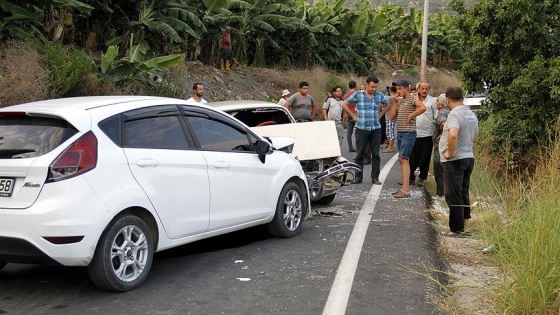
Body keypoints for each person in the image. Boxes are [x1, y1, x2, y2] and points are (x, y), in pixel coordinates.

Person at [439, 86, 479, 236]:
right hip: (469, 157)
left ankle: (455, 229)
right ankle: (465, 224)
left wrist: (449, 152)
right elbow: (475, 138)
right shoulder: (471, 114)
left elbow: (453, 134)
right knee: (463, 192)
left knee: (452, 194)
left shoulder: (454, 114)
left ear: (448, 99)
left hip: (455, 160)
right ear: (462, 98)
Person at [341, 76, 388, 185]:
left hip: (375, 128)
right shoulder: (358, 95)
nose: (374, 89)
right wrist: (352, 114)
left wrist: (381, 114)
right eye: (372, 86)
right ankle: (358, 177)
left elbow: (387, 104)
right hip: (362, 128)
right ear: (366, 85)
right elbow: (344, 104)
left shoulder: (379, 95)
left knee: (376, 154)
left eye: (375, 87)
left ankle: (375, 177)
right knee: (360, 154)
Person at [389, 79, 426, 198]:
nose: (398, 91)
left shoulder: (412, 98)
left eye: (400, 88)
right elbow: (392, 117)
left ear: (406, 88)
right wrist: (395, 102)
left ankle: (406, 190)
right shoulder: (400, 101)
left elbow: (422, 107)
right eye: (397, 89)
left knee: (403, 159)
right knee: (402, 160)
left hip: (408, 133)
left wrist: (411, 115)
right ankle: (404, 188)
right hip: (400, 132)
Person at [408, 80, 438, 187]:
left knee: (425, 157)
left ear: (429, 90)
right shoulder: (413, 100)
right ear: (418, 89)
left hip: (428, 134)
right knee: (412, 157)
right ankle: (410, 178)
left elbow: (436, 116)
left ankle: (422, 178)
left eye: (426, 89)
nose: (424, 90)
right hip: (413, 132)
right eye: (422, 88)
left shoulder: (433, 101)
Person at [433, 94, 450, 200]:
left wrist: (445, 133)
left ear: (442, 103)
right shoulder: (453, 111)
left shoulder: (442, 112)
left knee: (439, 168)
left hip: (441, 144)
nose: (436, 103)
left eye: (437, 101)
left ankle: (441, 194)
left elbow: (443, 124)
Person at [381, 86, 397, 153]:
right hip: (393, 117)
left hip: (389, 117)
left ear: (389, 91)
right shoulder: (395, 98)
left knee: (390, 133)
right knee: (391, 132)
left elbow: (383, 105)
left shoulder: (390, 98)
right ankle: (391, 146)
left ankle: (390, 147)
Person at [343, 80, 357, 152]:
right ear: (355, 86)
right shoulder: (357, 94)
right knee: (358, 131)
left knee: (349, 132)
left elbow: (344, 107)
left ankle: (350, 147)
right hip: (356, 114)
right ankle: (358, 146)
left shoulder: (346, 95)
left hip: (349, 114)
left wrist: (344, 117)